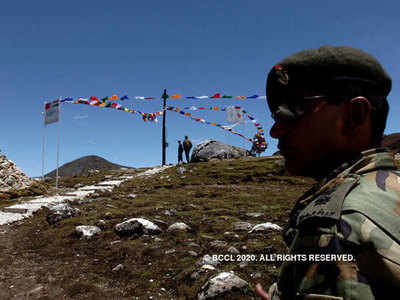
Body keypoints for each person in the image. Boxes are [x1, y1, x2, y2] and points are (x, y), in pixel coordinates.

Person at [256, 46, 400, 299]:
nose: (275, 131)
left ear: (353, 116)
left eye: (292, 111)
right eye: (275, 116)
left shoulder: (333, 225)